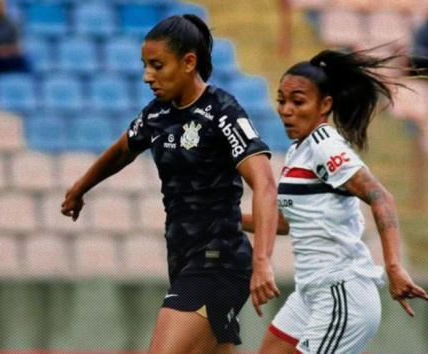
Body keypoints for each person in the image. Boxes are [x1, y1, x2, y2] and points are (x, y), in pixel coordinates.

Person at [61, 14, 280, 353]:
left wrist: (263, 261)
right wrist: (80, 187)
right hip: (183, 260)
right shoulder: (157, 115)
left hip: (218, 262)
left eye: (158, 65)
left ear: (189, 62)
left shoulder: (222, 112)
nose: (148, 76)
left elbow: (264, 183)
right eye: (145, 65)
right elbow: (122, 150)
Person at [242, 49, 428, 354]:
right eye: (281, 100)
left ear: (324, 105)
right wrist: (224, 217)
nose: (286, 110)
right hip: (311, 292)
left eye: (298, 101)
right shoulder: (297, 151)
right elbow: (287, 222)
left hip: (342, 292)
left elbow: (380, 196)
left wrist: (393, 266)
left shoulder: (325, 147)